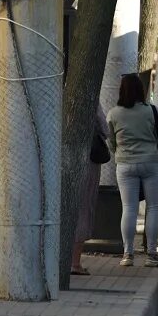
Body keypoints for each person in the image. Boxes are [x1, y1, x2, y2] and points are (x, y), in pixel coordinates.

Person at [107, 74, 158, 267]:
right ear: (142, 90)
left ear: (121, 90)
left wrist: (121, 153)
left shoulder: (114, 114)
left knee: (129, 208)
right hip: (151, 162)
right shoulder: (153, 112)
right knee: (153, 207)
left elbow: (111, 143)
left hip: (124, 164)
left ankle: (127, 254)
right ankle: (152, 254)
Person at [70, 102, 107, 276]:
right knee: (83, 209)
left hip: (60, 159)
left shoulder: (53, 95)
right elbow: (104, 129)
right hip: (87, 161)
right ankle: (75, 262)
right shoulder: (88, 97)